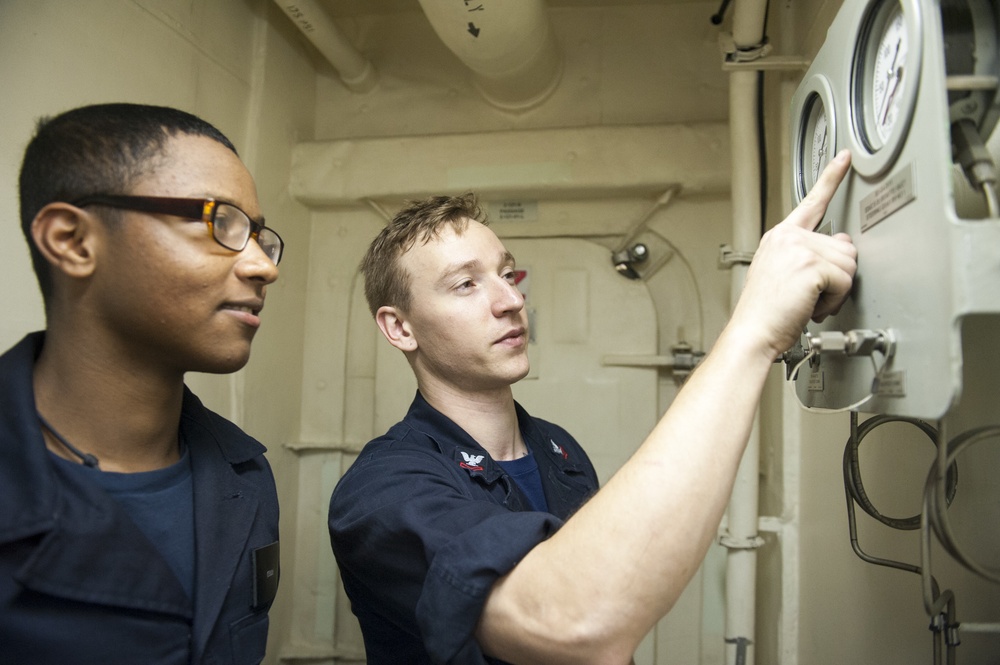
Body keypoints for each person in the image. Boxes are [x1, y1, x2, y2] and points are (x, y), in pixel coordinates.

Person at [329, 149, 856, 665]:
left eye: (506, 274)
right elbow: (572, 622)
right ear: (400, 328)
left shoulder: (559, 450)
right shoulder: (382, 490)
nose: (511, 300)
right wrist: (752, 333)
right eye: (466, 284)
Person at [0, 103, 285, 665]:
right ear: (73, 241)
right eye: (219, 223)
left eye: (258, 235)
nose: (263, 267)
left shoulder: (244, 475)